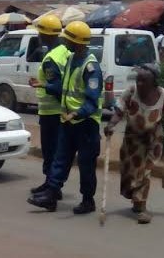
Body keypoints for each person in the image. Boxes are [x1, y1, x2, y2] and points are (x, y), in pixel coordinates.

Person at [27, 21, 103, 215]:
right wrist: (44, 86)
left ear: (78, 43)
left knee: (86, 165)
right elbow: (64, 89)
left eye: (68, 39)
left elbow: (92, 101)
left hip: (85, 124)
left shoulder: (90, 67)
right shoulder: (70, 60)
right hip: (67, 120)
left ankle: (88, 200)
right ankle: (51, 195)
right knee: (60, 159)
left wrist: (79, 112)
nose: (64, 41)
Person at [103, 64, 164, 224]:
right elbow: (119, 111)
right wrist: (111, 125)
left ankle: (141, 207)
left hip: (153, 140)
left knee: (145, 172)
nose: (140, 83)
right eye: (138, 80)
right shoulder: (131, 92)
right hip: (132, 141)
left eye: (144, 81)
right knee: (130, 173)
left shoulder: (162, 94)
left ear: (153, 83)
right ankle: (135, 198)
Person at [27, 15, 70, 198]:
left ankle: (52, 188)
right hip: (59, 110)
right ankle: (50, 185)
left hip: (52, 111)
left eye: (40, 33)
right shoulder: (64, 52)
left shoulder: (51, 58)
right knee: (55, 150)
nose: (39, 36)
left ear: (45, 35)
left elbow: (58, 87)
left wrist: (41, 84)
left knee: (50, 150)